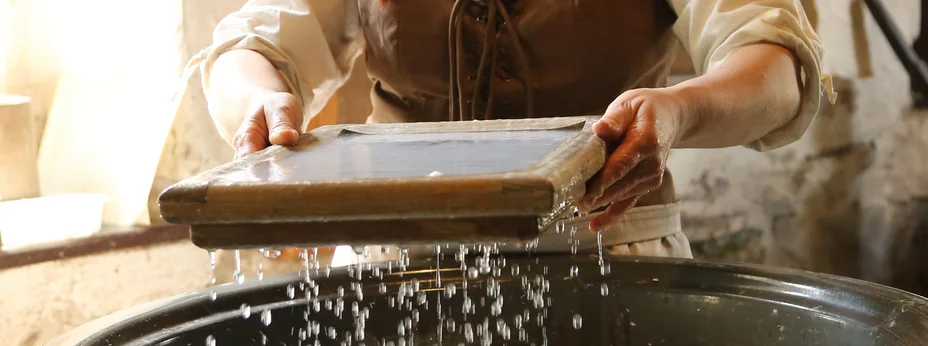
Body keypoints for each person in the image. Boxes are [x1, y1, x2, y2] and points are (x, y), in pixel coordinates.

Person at [199, 0, 834, 263]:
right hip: (392, 261)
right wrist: (261, 100)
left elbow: (778, 66)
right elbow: (253, 44)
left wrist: (678, 111)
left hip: (611, 253)